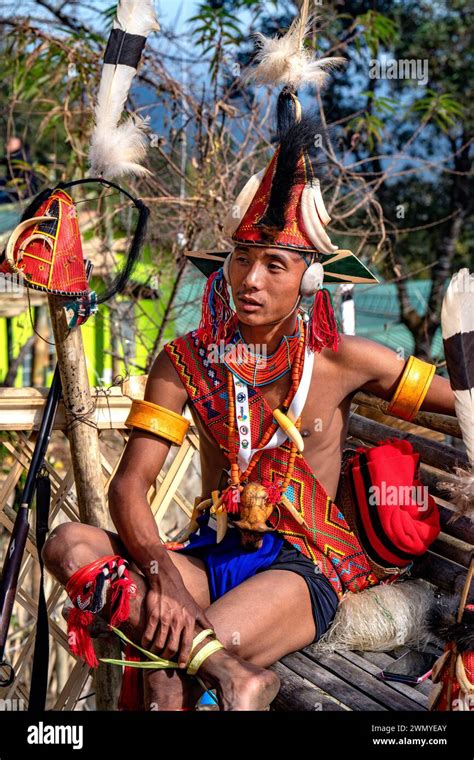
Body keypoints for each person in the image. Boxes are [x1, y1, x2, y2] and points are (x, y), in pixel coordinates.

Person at [41, 17, 457, 712]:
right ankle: (235, 679)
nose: (252, 279)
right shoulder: (187, 360)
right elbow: (128, 491)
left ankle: (225, 670)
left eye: (276, 263)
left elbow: (459, 401)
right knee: (71, 543)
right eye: (241, 258)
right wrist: (167, 584)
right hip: (206, 555)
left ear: (311, 280)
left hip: (301, 570)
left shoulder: (342, 359)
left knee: (164, 662)